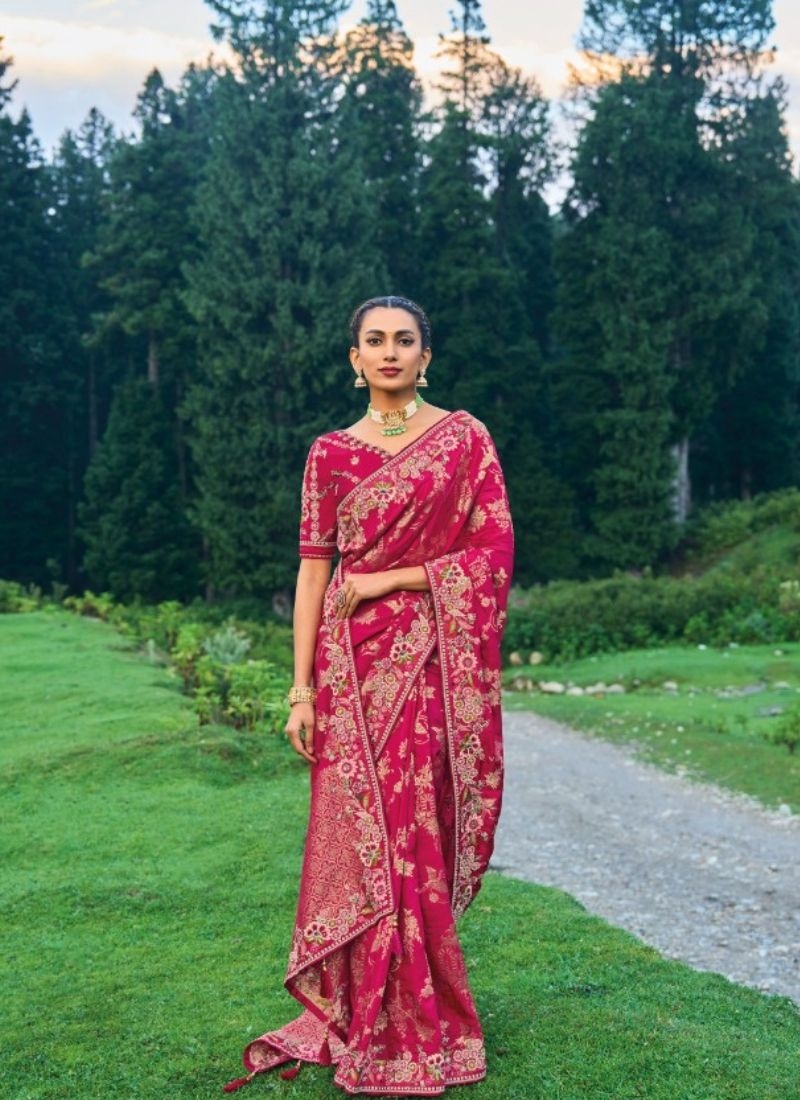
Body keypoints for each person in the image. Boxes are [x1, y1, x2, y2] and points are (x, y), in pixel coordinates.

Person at [224, 296, 514, 1095]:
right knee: (361, 837)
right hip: (348, 672)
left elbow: (491, 552)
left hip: (425, 665)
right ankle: (357, 1006)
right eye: (374, 341)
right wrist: (300, 691)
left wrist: (393, 575)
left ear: (427, 356)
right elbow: (313, 570)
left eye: (405, 341)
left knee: (415, 829)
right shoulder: (329, 455)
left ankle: (426, 1019)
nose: (389, 353)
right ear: (354, 359)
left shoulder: (463, 440)